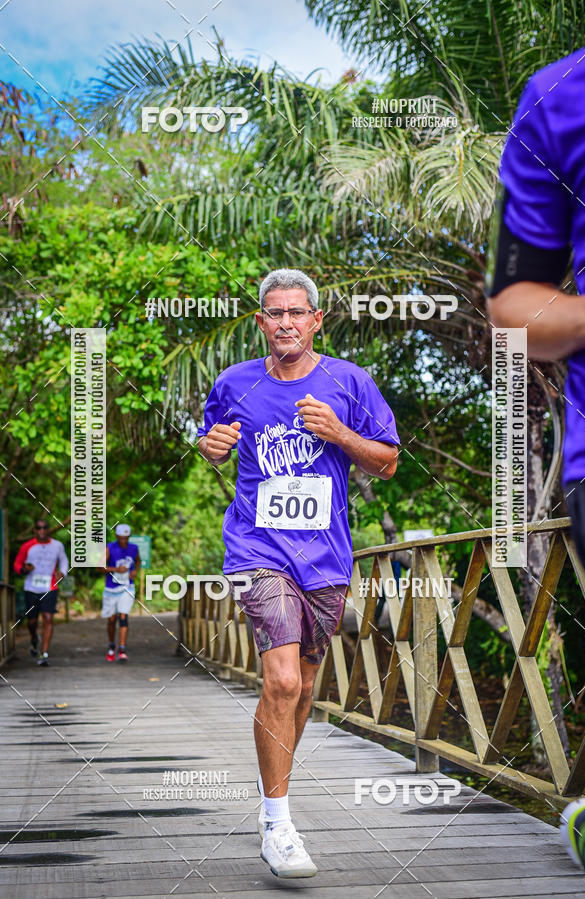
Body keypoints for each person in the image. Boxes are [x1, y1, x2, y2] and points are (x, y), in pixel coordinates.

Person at [197, 268, 399, 878]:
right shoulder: (236, 382)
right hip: (257, 551)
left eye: (296, 312)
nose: (285, 322)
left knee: (305, 688)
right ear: (261, 323)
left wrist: (339, 434)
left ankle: (274, 799)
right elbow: (209, 438)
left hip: (326, 556)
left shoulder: (349, 381)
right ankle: (277, 823)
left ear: (315, 320)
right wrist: (211, 446)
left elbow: (388, 461)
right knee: (282, 682)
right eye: (273, 313)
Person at [487, 43, 585, 597]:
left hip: (538, 420)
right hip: (573, 443)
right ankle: (520, 565)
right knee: (513, 492)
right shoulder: (561, 96)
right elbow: (511, 307)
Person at [13, 519, 69, 667]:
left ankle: (44, 654)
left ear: (48, 530)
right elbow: (17, 564)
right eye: (38, 528)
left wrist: (62, 573)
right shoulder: (27, 546)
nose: (42, 530)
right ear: (35, 531)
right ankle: (34, 639)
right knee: (31, 622)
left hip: (50, 587)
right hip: (31, 587)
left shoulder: (57, 545)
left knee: (48, 617)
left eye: (44, 528)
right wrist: (24, 569)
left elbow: (64, 561)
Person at [100, 524, 140, 662]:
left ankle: (122, 649)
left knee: (123, 616)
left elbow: (138, 561)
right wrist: (116, 569)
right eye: (121, 538)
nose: (124, 541)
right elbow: (99, 567)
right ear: (117, 536)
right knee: (112, 619)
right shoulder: (109, 548)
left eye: (126, 538)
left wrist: (135, 571)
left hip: (127, 587)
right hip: (111, 588)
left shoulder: (134, 548)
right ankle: (112, 646)